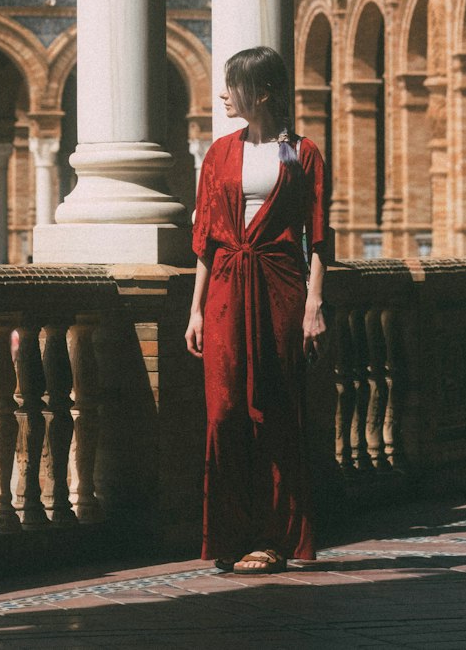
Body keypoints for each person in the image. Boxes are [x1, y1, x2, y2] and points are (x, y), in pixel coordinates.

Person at [185, 44, 328, 573]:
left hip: (280, 287)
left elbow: (317, 234)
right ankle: (229, 534)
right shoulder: (220, 153)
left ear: (262, 92)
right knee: (223, 412)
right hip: (224, 287)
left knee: (274, 409)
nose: (223, 94)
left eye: (233, 85)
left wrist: (314, 304)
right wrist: (195, 309)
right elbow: (204, 239)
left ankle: (273, 540)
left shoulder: (298, 153)